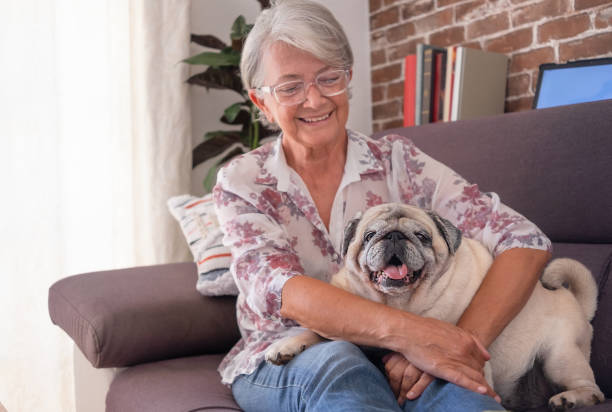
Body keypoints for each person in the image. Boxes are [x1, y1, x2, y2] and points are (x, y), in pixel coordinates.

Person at [212, 1, 551, 410]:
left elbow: (525, 241)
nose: (315, 100)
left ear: (348, 78)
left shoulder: (399, 162)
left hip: (411, 349)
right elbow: (285, 292)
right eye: (290, 87)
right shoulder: (243, 182)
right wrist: (414, 335)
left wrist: (458, 344)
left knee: (465, 393)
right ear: (261, 102)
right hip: (287, 352)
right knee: (339, 364)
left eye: (329, 78)